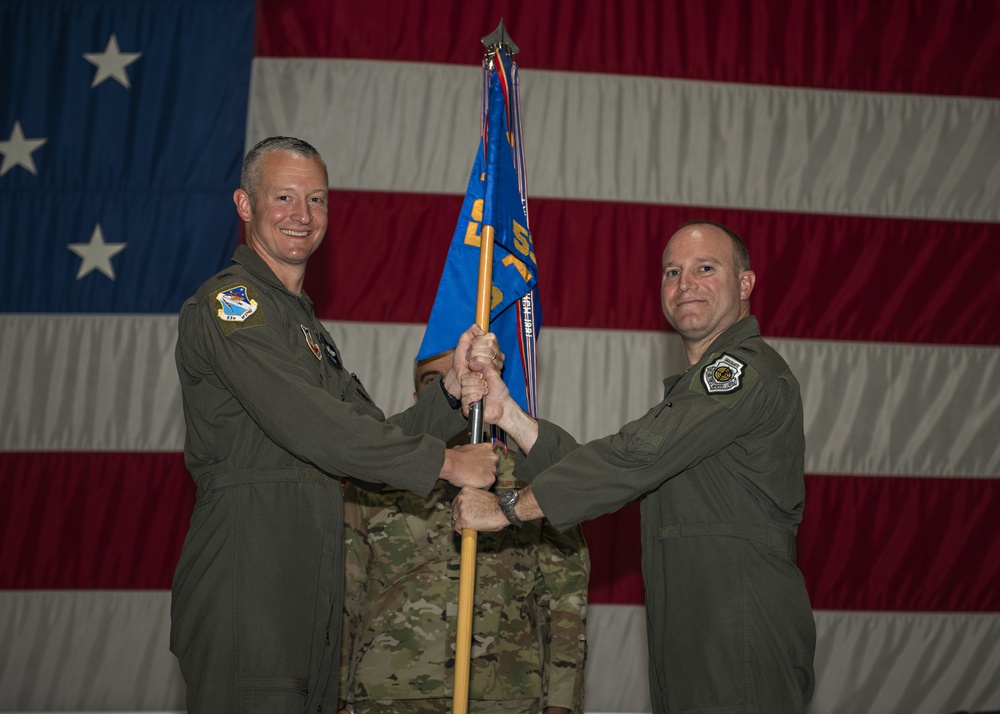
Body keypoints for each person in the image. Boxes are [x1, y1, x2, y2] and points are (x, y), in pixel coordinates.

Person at [170, 136, 497, 714]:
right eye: (285, 198)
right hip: (251, 580)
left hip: (309, 588)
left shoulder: (304, 327)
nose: (302, 216)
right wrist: (446, 463)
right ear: (245, 206)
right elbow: (316, 427)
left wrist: (447, 393)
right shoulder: (231, 305)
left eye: (316, 200)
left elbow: (367, 433)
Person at [453, 221, 817, 713]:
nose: (685, 284)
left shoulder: (744, 373)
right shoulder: (696, 393)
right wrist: (509, 416)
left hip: (740, 635)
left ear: (745, 284)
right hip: (691, 631)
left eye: (704, 268)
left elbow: (635, 456)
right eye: (672, 272)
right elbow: (621, 472)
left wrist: (507, 508)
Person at [338, 349, 590, 714]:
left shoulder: (531, 480)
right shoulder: (374, 481)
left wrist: (561, 704)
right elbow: (346, 593)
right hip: (389, 693)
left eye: (474, 379)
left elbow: (565, 597)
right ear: (418, 402)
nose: (463, 391)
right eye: (436, 382)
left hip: (504, 693)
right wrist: (337, 697)